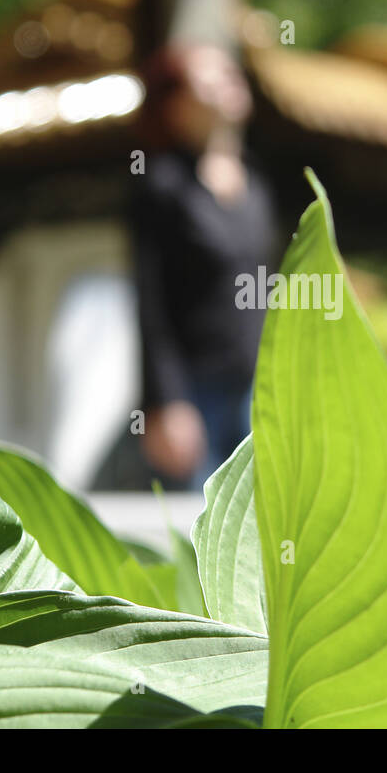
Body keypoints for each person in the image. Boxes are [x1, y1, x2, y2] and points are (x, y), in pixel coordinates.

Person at [131, 43, 278, 490]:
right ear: (176, 107)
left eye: (229, 74)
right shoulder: (162, 187)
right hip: (197, 395)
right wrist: (166, 403)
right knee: (201, 534)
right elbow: (150, 305)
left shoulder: (259, 184)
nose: (227, 84)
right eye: (207, 80)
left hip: (261, 390)